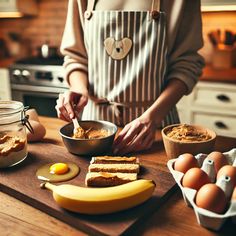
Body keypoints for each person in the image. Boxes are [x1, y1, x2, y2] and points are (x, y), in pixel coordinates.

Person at [56, 0, 205, 155]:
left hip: (155, 130)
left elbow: (187, 64)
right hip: (94, 134)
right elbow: (76, 57)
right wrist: (79, 88)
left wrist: (152, 118)